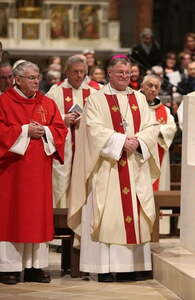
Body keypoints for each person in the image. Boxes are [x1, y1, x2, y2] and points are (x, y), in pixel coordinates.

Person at [68, 55, 160, 282]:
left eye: (128, 73)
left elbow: (152, 125)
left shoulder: (139, 98)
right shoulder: (96, 99)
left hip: (134, 166)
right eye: (120, 73)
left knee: (134, 217)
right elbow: (92, 129)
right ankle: (104, 268)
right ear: (109, 73)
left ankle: (131, 266)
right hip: (107, 168)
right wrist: (120, 142)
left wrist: (138, 141)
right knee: (107, 215)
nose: (125, 77)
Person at [0, 61, 67, 284]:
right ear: (17, 80)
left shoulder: (47, 103)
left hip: (39, 172)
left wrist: (45, 131)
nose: (37, 81)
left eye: (38, 77)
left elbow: (59, 129)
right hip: (12, 172)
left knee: (37, 217)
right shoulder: (3, 102)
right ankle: (8, 267)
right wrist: (25, 130)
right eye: (31, 77)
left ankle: (35, 267)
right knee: (12, 216)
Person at [46, 55, 99, 208]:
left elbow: (104, 120)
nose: (79, 75)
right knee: (61, 188)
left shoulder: (96, 91)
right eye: (75, 71)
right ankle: (60, 224)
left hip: (86, 149)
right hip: (64, 150)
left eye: (83, 72)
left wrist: (86, 119)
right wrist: (63, 119)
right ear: (67, 72)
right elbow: (44, 118)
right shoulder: (55, 91)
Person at [141, 74, 176, 190]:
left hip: (158, 149)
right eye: (150, 85)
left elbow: (171, 128)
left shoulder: (164, 110)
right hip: (139, 152)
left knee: (158, 186)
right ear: (142, 86)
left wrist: (155, 130)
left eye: (156, 87)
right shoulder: (132, 105)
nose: (153, 89)